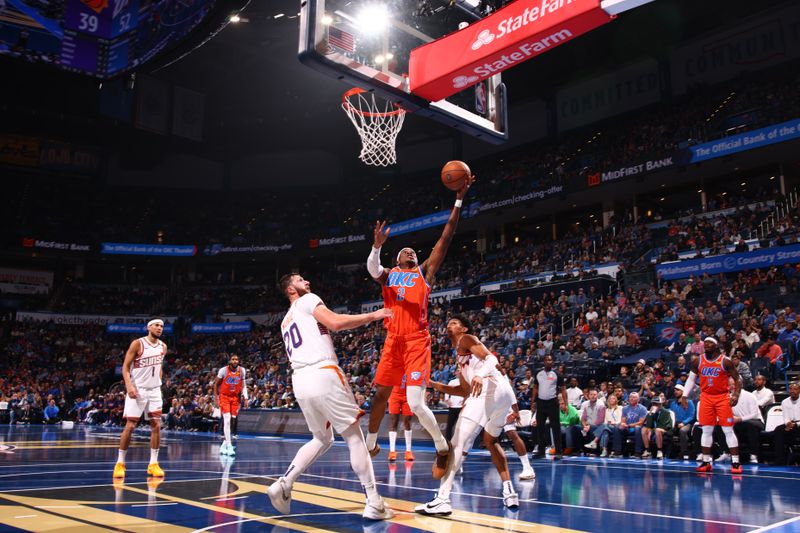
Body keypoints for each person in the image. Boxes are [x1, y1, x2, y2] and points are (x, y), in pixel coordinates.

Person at [365, 175, 474, 480]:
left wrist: (458, 200)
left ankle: (441, 445)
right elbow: (373, 269)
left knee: (414, 402)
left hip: (416, 341)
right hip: (393, 340)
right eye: (405, 252)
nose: (410, 252)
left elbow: (447, 236)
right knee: (380, 397)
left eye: (413, 252)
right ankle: (372, 443)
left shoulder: (424, 272)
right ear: (397, 259)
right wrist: (375, 248)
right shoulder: (388, 274)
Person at [267, 273, 393, 520]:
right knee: (354, 437)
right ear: (290, 289)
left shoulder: (285, 320)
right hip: (322, 372)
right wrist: (373, 315)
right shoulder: (308, 300)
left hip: (300, 380)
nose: (308, 281)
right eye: (301, 280)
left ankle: (284, 482)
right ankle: (374, 502)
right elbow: (335, 322)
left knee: (322, 438)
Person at [420, 315, 519, 515]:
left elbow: (491, 358)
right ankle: (510, 492)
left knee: (457, 442)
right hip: (503, 394)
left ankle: (442, 498)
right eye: (448, 323)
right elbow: (466, 391)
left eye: (454, 323)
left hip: (491, 388)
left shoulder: (467, 339)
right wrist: (435, 385)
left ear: (464, 329)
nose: (449, 325)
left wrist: (478, 375)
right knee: (490, 441)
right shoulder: (462, 356)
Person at [113, 318, 167, 480]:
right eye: (156, 325)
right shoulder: (138, 343)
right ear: (148, 327)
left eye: (162, 326)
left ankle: (153, 464)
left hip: (155, 390)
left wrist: (159, 383)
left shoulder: (163, 347)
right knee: (130, 426)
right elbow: (125, 367)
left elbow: (160, 368)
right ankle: (120, 463)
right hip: (138, 389)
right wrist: (129, 386)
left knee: (156, 425)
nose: (159, 328)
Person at [683, 337, 743, 474]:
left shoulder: (725, 361)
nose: (707, 345)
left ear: (716, 346)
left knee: (727, 430)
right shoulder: (698, 360)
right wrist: (685, 395)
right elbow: (691, 379)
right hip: (706, 397)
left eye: (710, 343)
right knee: (706, 430)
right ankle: (706, 461)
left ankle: (735, 462)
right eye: (706, 343)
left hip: (722, 397)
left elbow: (736, 378)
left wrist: (736, 394)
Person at [531, 354, 567, 459]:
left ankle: (559, 451)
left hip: (553, 403)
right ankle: (541, 451)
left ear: (552, 362)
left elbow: (563, 389)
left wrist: (565, 403)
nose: (548, 361)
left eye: (550, 360)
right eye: (547, 360)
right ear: (544, 362)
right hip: (541, 403)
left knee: (556, 428)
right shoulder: (538, 373)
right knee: (540, 428)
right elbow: (535, 388)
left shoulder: (557, 374)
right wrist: (533, 401)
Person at [214, 355, 249, 456]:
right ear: (229, 361)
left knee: (233, 421)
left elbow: (243, 385)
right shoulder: (223, 371)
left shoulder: (242, 371)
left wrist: (245, 398)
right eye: (233, 359)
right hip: (224, 396)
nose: (235, 361)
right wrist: (216, 399)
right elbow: (216, 384)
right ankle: (229, 446)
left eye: (236, 359)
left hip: (235, 398)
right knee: (227, 419)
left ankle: (224, 444)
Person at [730, 384, 764, 464]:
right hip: (740, 422)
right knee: (724, 426)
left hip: (756, 421)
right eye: (729, 385)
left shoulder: (750, 396)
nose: (731, 387)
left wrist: (740, 419)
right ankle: (728, 453)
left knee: (749, 425)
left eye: (733, 384)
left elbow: (754, 414)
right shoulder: (728, 397)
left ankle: (753, 455)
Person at [387, 376, 414, 462]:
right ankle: (392, 451)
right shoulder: (395, 366)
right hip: (394, 395)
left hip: (408, 395)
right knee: (393, 421)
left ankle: (408, 451)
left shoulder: (410, 365)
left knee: (407, 421)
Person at [772, 382, 800, 465]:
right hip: (790, 424)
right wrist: (787, 423)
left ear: (799, 390)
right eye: (790, 389)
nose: (792, 391)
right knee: (778, 430)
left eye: (795, 389)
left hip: (798, 424)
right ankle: (780, 460)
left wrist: (795, 425)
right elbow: (786, 416)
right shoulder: (784, 402)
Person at [612, 391, 647, 457]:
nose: (631, 399)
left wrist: (629, 425)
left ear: (638, 399)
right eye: (630, 397)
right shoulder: (625, 408)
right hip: (627, 427)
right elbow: (623, 420)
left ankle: (638, 451)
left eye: (634, 397)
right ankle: (618, 451)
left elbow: (641, 422)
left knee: (637, 428)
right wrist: (623, 424)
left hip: (637, 427)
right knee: (617, 427)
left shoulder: (643, 409)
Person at [669, 384, 696, 460]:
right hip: (675, 423)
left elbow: (692, 416)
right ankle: (669, 453)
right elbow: (671, 414)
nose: (675, 392)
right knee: (666, 430)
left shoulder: (689, 402)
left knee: (682, 431)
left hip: (686, 423)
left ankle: (684, 452)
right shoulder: (672, 403)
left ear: (683, 392)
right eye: (674, 390)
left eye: (677, 390)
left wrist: (683, 423)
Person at [443, 376, 464, 441]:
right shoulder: (452, 381)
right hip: (452, 406)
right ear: (455, 373)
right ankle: (448, 441)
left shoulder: (466, 381)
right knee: (450, 425)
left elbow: (469, 392)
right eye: (457, 370)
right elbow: (447, 390)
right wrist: (446, 399)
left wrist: (465, 400)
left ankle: (460, 441)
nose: (459, 372)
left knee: (461, 426)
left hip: (462, 407)